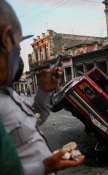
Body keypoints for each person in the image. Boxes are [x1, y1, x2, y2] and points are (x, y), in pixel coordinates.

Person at [0, 1, 84, 174]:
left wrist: (44, 91)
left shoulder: (7, 94)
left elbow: (33, 119)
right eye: (17, 44)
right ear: (6, 38)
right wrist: (44, 167)